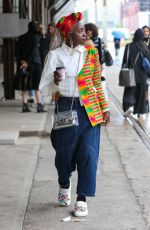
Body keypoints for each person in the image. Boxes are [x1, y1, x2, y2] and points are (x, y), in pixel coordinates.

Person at [39, 12, 110, 217]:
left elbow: (97, 82)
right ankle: (64, 181)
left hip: (90, 110)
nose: (85, 33)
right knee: (64, 154)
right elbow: (44, 89)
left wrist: (105, 108)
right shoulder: (55, 56)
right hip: (65, 107)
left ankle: (82, 198)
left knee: (89, 153)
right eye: (80, 31)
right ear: (68, 34)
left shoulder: (90, 53)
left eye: (85, 30)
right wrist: (56, 81)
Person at [15, 21, 46, 113]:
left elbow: (17, 52)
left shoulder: (21, 37)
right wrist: (27, 62)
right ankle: (39, 106)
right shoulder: (36, 37)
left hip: (24, 64)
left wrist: (22, 61)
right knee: (37, 86)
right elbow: (33, 52)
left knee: (25, 85)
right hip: (35, 64)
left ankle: (24, 106)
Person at [122, 28, 150, 117]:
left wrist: (123, 70)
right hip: (142, 75)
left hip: (131, 74)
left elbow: (125, 60)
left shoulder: (129, 46)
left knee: (129, 92)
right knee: (141, 94)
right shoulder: (145, 48)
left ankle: (129, 107)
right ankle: (140, 112)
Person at [84, 23, 108, 100]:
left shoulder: (99, 40)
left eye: (89, 30)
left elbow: (102, 54)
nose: (88, 32)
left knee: (98, 84)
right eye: (86, 30)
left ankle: (100, 100)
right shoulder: (84, 40)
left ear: (93, 31)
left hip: (97, 65)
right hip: (87, 66)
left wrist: (100, 65)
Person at [142, 25, 150, 113]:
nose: (145, 33)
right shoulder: (139, 42)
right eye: (144, 31)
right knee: (145, 87)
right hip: (144, 68)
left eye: (147, 31)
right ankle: (146, 103)